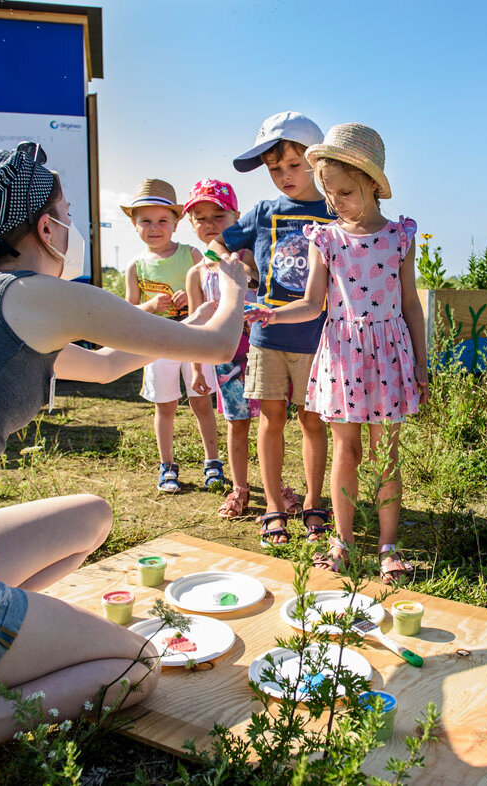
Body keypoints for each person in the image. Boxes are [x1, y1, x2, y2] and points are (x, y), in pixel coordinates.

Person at [0, 143, 246, 786]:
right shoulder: (35, 293)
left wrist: (181, 318)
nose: (72, 226)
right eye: (63, 210)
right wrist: (233, 287)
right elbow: (222, 344)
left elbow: (111, 363)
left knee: (89, 516)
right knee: (136, 667)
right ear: (43, 226)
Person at [251, 123, 428, 584]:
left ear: (372, 182)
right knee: (345, 451)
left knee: (386, 454)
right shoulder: (325, 238)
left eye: (345, 192)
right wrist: (272, 314)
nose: (336, 204)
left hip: (389, 355)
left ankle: (389, 546)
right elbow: (312, 303)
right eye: (329, 196)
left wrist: (423, 365)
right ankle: (343, 543)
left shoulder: (400, 237)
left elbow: (410, 304)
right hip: (344, 354)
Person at [206, 111, 335, 547]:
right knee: (272, 420)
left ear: (317, 161)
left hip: (320, 341)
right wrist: (232, 270)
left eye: (294, 165)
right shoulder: (263, 211)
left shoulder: (336, 211)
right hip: (266, 338)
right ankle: (274, 507)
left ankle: (315, 503)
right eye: (275, 168)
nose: (284, 176)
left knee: (314, 422)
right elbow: (218, 243)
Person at [123, 179, 223, 493]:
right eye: (146, 221)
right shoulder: (135, 266)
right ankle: (167, 465)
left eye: (163, 220)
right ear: (134, 225)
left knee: (201, 402)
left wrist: (189, 299)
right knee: (164, 406)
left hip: (193, 341)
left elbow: (207, 293)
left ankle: (212, 463)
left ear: (176, 223)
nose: (155, 228)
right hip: (156, 344)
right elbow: (129, 312)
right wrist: (150, 305)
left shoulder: (191, 254)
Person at [182, 179, 260, 519]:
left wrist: (232, 258)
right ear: (191, 224)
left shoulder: (246, 257)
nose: (210, 224)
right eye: (201, 218)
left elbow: (252, 281)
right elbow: (196, 324)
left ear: (236, 217)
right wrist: (197, 368)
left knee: (273, 422)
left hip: (260, 352)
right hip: (226, 360)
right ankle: (240, 488)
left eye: (219, 215)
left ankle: (278, 488)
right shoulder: (195, 273)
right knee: (237, 422)